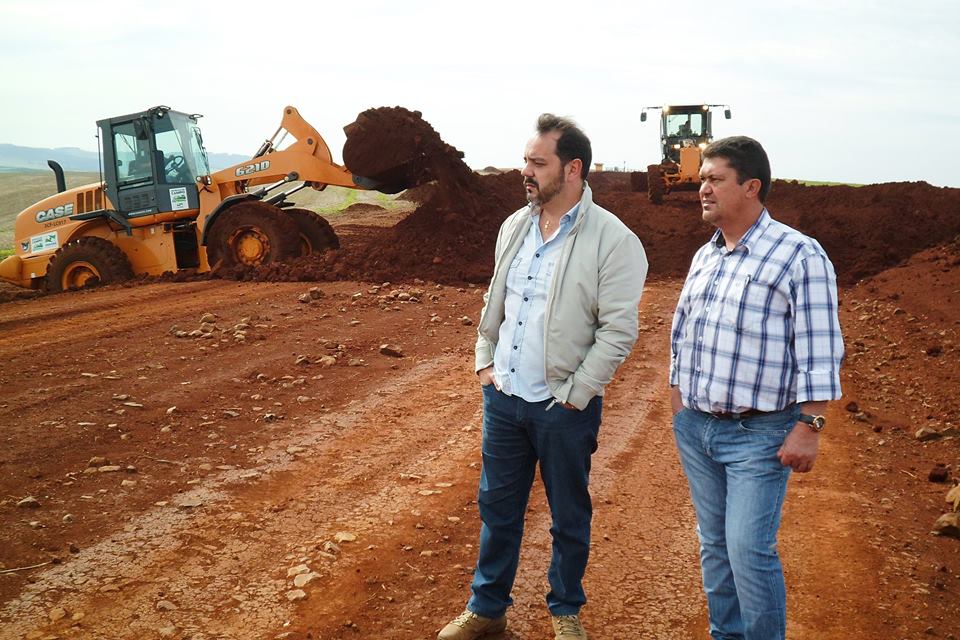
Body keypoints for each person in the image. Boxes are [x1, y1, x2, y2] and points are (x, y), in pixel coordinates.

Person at [438, 114, 648, 640]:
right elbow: (496, 301)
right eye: (525, 159)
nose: (525, 171)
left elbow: (617, 331)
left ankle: (565, 613)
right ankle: (488, 610)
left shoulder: (614, 240)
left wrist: (577, 394)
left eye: (538, 162)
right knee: (497, 509)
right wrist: (485, 361)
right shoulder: (514, 225)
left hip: (562, 408)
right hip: (504, 398)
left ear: (572, 169)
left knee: (568, 515)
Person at [669, 136, 844, 639]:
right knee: (715, 547)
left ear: (751, 187)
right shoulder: (707, 255)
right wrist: (678, 398)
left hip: (759, 434)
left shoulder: (798, 255)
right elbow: (684, 329)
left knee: (748, 549)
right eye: (701, 178)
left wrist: (809, 424)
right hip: (698, 428)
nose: (702, 188)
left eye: (714, 179)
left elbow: (820, 345)